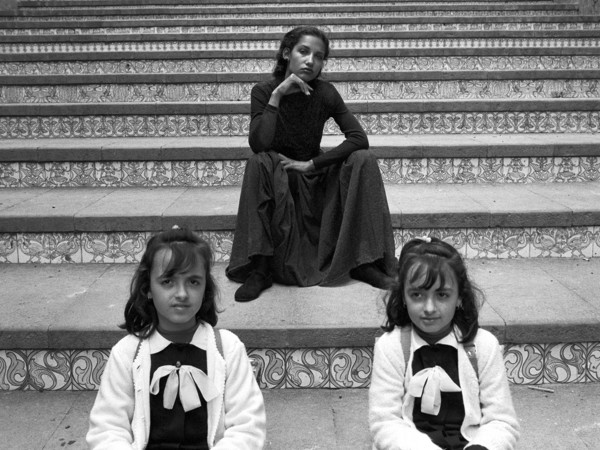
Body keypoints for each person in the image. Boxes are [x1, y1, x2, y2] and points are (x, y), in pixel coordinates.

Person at [226, 26, 396, 302]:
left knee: (363, 159)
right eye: (303, 52)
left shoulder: (326, 92)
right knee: (258, 162)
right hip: (279, 181)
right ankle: (260, 267)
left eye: (319, 57)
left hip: (315, 181)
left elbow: (358, 138)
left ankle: (365, 261)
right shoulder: (263, 91)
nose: (311, 61)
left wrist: (313, 164)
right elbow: (259, 143)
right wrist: (277, 96)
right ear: (286, 54)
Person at [87, 227, 266, 449]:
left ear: (205, 289)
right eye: (168, 282)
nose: (181, 293)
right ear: (148, 289)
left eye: (193, 282)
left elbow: (248, 426)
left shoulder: (228, 349)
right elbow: (107, 429)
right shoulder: (127, 353)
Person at [369, 237, 520, 450]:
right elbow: (385, 423)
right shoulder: (391, 347)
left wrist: (482, 447)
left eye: (442, 295)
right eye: (417, 294)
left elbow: (502, 421)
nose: (429, 307)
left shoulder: (483, 346)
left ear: (459, 297)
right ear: (403, 296)